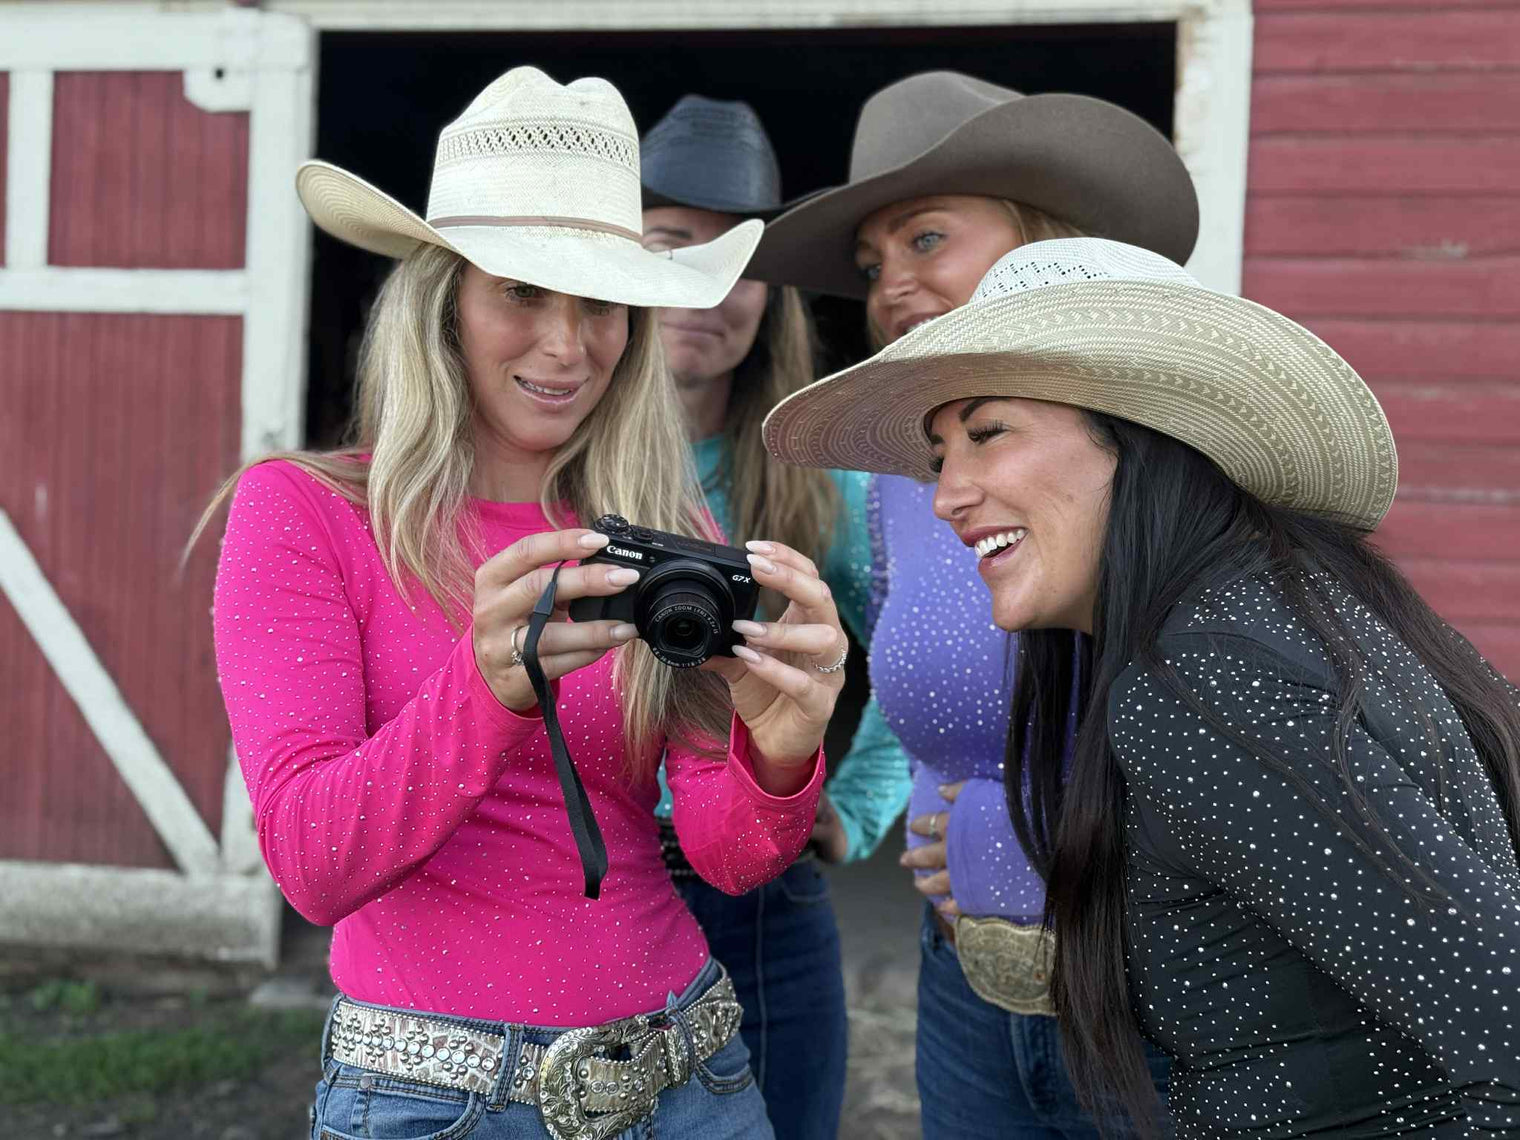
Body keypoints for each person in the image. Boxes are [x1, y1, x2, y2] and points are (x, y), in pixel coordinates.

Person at [204, 68, 852, 1140]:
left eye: (599, 300)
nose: (567, 345)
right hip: (430, 1102)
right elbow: (315, 866)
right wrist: (486, 687)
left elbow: (730, 856)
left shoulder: (651, 517)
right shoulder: (306, 513)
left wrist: (777, 751)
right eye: (520, 290)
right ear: (442, 299)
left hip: (692, 1076)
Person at [765, 235, 1520, 1137]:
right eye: (939, 457)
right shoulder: (1274, 613)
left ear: (1136, 437)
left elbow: (1496, 1014)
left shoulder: (1204, 679)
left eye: (988, 433)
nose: (946, 495)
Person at [747, 70, 1195, 1136]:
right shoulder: (904, 483)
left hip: (1146, 990)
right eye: (872, 262)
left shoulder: (1158, 454)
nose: (891, 282)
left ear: (1039, 237)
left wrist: (1023, 835)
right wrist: (899, 811)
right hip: (964, 977)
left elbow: (1225, 734)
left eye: (925, 239)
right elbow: (913, 690)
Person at [638, 94, 912, 1140]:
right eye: (669, 246)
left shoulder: (817, 478)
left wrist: (859, 804)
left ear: (770, 295)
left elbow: (921, 648)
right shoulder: (544, 464)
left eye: (737, 260)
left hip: (760, 898)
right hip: (580, 880)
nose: (704, 286)